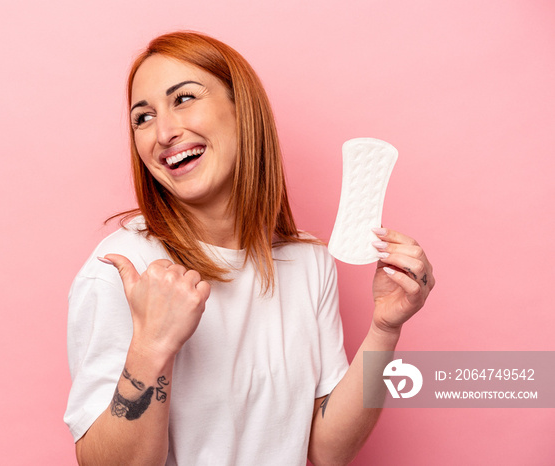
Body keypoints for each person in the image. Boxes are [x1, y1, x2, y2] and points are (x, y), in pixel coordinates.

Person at [64, 31, 435, 466]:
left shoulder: (308, 262)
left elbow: (328, 450)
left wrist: (385, 329)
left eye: (183, 98)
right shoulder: (123, 269)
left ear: (243, 110)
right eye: (142, 118)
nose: (162, 132)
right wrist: (151, 346)